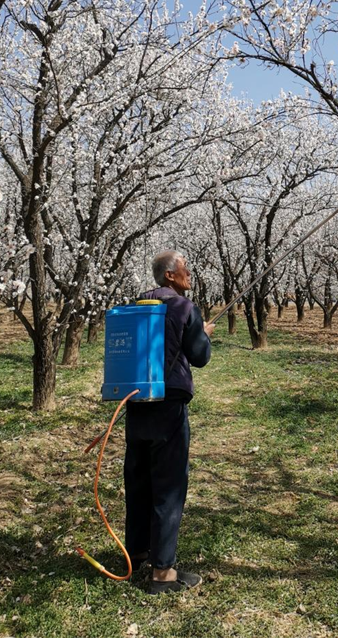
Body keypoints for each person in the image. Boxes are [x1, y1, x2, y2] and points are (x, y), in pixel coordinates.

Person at [124, 250, 214, 594]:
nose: (190, 274)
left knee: (139, 480)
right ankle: (162, 575)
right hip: (169, 409)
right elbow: (200, 356)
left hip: (135, 404)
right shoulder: (183, 307)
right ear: (172, 276)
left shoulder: (137, 304)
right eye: (186, 270)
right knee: (169, 486)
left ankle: (137, 554)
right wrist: (202, 333)